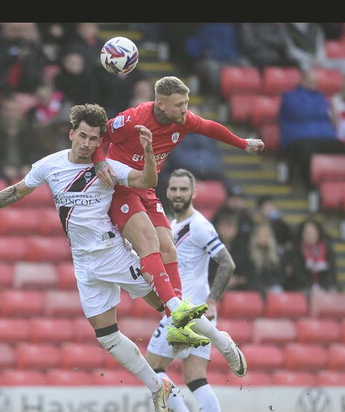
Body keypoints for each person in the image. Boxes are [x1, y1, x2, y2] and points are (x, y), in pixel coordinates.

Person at [0, 103, 200, 412]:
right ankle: (157, 386)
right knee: (106, 336)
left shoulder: (107, 167)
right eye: (83, 136)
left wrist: (149, 152)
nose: (87, 143)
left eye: (94, 138)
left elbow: (146, 179)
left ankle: (217, 338)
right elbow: (16, 191)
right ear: (71, 134)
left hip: (113, 255)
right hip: (85, 264)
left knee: (166, 304)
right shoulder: (50, 165)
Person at [91, 76, 263, 378]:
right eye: (180, 105)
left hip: (146, 189)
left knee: (169, 248)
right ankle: (181, 315)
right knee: (148, 241)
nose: (186, 110)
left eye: (186, 103)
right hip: (121, 189)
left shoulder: (182, 120)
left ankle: (178, 323)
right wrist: (100, 162)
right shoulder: (133, 119)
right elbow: (99, 134)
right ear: (161, 104)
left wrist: (243, 143)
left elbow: (210, 127)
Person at [145, 168, 245, 412]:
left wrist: (212, 300)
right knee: (195, 376)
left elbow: (227, 263)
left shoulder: (199, 225)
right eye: (174, 189)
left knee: (151, 367)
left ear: (194, 193)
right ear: (167, 192)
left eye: (183, 190)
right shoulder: (174, 224)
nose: (178, 194)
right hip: (196, 312)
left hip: (185, 310)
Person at [278, 67, 345, 195]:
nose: (313, 84)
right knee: (306, 153)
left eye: (315, 81)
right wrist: (321, 112)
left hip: (325, 139)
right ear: (302, 80)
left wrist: (317, 111)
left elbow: (325, 111)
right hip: (300, 138)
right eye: (310, 80)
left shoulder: (321, 97)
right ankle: (311, 189)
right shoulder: (289, 96)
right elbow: (299, 112)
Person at [287, 217, 341, 294]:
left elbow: (331, 272)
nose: (310, 235)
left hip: (324, 286)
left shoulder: (327, 249)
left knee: (334, 291)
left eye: (312, 232)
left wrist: (322, 287)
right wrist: (312, 287)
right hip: (303, 286)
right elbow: (297, 273)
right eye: (307, 233)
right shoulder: (296, 250)